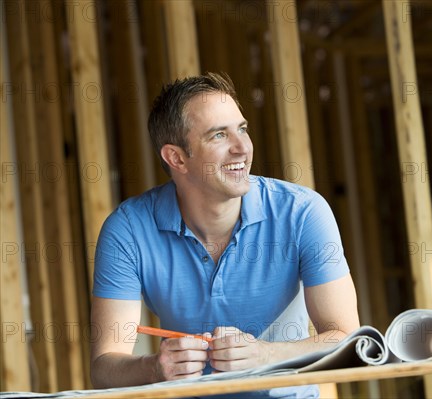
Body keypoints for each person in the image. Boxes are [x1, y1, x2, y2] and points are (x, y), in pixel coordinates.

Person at [90, 72, 360, 398]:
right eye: (219, 135)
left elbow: (347, 340)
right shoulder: (127, 230)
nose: (242, 147)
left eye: (242, 129)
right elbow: (104, 367)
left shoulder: (303, 212)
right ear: (176, 158)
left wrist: (266, 355)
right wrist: (153, 368)